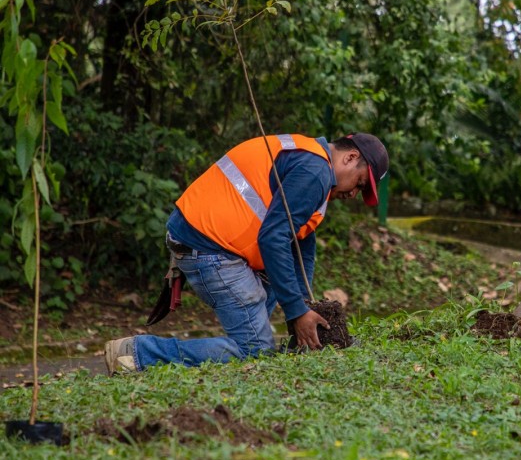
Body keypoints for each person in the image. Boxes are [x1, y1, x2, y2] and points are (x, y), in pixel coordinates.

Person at [104, 132, 389, 374]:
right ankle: (139, 353)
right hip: (209, 247)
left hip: (212, 242)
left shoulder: (312, 161)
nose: (354, 194)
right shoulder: (315, 171)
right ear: (350, 158)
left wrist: (305, 305)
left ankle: (247, 339)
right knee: (256, 350)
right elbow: (274, 239)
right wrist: (297, 312)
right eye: (360, 183)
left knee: (270, 299)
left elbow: (301, 244)